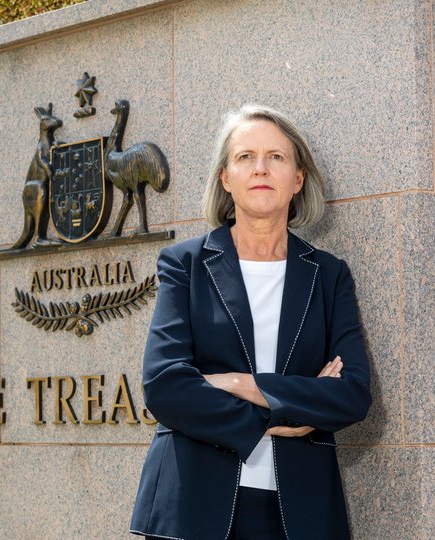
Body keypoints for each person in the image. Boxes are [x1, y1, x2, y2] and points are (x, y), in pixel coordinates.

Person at [130, 104, 372, 539]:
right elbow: (165, 385)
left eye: (276, 157)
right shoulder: (184, 264)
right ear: (226, 177)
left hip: (300, 512)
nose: (260, 168)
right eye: (245, 157)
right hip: (192, 506)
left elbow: (351, 395)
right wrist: (287, 412)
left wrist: (239, 383)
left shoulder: (328, 275)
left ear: (298, 179)